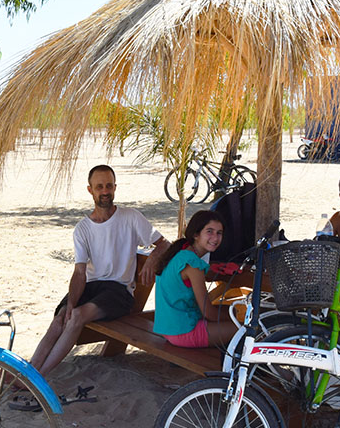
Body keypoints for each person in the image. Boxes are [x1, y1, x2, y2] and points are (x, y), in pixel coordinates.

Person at [22, 165, 167, 390]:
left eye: (109, 185)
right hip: (92, 287)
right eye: (99, 186)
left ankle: (38, 379)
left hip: (119, 291)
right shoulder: (82, 229)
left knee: (77, 316)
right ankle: (29, 371)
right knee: (61, 317)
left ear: (115, 188)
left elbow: (164, 244)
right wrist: (70, 302)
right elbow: (80, 272)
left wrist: (152, 259)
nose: (105, 191)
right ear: (90, 190)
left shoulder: (130, 217)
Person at [152, 210, 236, 348]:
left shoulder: (180, 252)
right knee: (249, 330)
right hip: (183, 332)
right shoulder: (193, 264)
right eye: (209, 231)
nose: (215, 238)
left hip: (168, 328)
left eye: (219, 233)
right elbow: (209, 313)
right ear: (196, 234)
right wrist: (238, 319)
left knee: (228, 310)